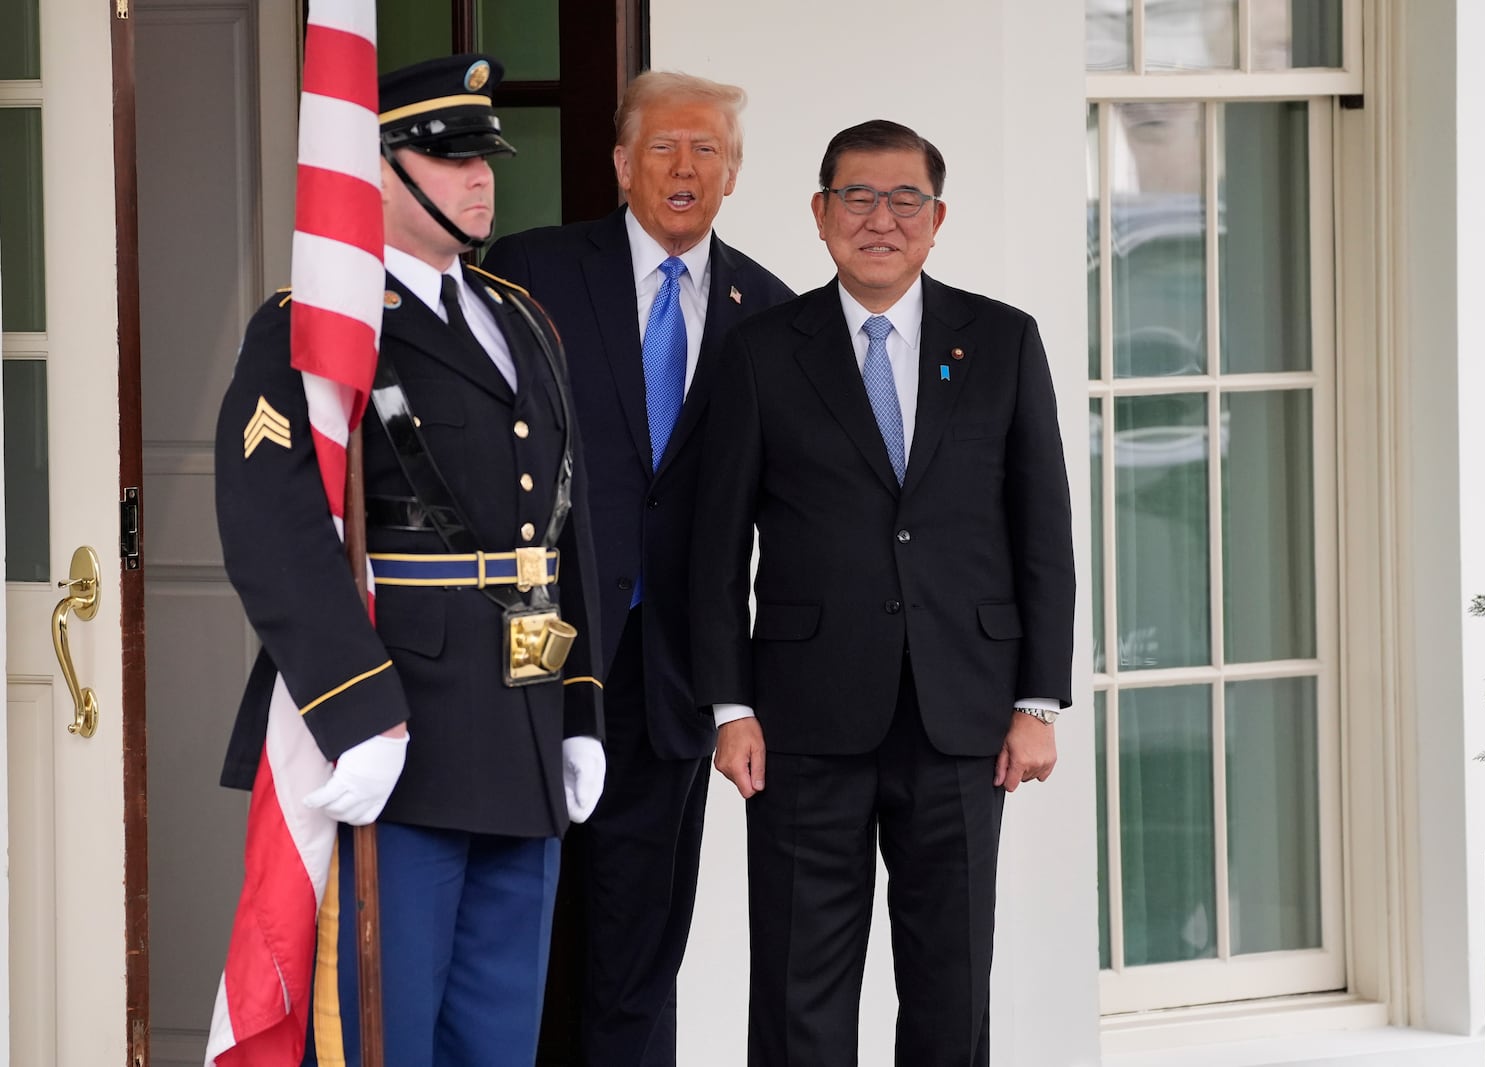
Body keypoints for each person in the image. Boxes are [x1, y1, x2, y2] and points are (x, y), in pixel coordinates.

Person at [214, 54, 604, 1066]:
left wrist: (582, 705)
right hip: (401, 723)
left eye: (485, 156)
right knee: (386, 1031)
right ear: (375, 171)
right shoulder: (315, 326)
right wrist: (355, 710)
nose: (481, 177)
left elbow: (563, 529)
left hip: (519, 718)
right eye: (447, 155)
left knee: (496, 1030)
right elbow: (277, 528)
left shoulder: (521, 318)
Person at [690, 119, 1075, 1067]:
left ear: (937, 220)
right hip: (801, 722)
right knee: (797, 987)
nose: (881, 219)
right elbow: (711, 545)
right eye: (857, 197)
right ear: (820, 215)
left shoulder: (1004, 340)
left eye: (906, 199)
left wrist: (1037, 701)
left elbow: (1044, 537)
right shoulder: (759, 349)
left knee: (952, 981)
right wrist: (730, 706)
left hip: (964, 717)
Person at [483, 70, 792, 1066]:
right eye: (663, 146)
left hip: (670, 676)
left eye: (706, 149)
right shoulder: (531, 270)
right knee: (511, 931)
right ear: (621, 163)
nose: (684, 166)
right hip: (535, 652)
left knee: (638, 951)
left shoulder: (770, 313)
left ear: (734, 173)